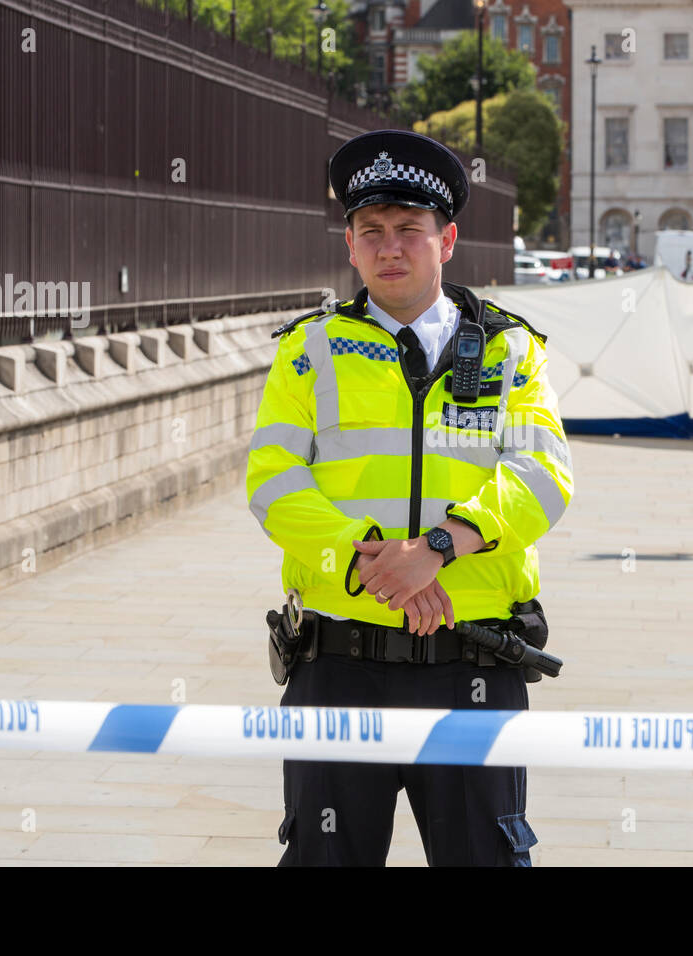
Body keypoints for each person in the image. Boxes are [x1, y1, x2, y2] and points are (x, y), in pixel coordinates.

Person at [246, 129, 574, 866]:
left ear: (447, 239)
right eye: (372, 232)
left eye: (409, 231)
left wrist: (436, 550)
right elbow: (273, 484)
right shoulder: (309, 349)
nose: (390, 248)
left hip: (472, 669)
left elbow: (543, 473)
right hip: (338, 667)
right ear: (352, 248)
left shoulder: (508, 350)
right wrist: (375, 565)